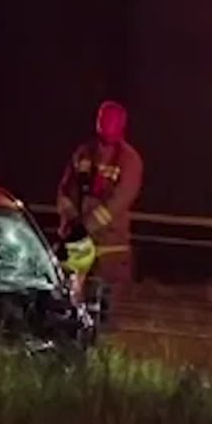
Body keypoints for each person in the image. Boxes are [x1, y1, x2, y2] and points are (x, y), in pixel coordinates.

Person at [56, 100, 143, 320]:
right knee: (69, 301)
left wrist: (86, 226)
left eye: (112, 122)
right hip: (78, 242)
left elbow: (119, 201)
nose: (106, 126)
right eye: (103, 120)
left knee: (106, 308)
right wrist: (71, 222)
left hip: (110, 244)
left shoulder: (130, 160)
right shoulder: (84, 153)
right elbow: (65, 190)